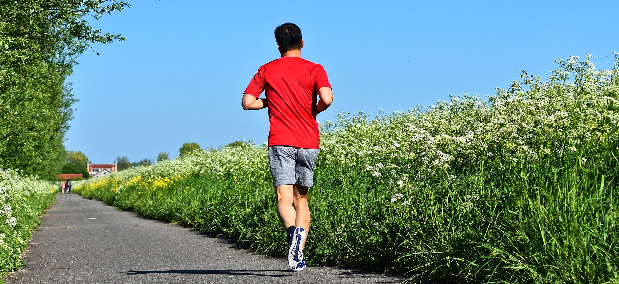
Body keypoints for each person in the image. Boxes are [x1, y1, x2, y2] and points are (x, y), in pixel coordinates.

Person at [242, 23, 333, 271]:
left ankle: (293, 234)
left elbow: (247, 102)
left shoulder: (266, 70)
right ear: (302, 43)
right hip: (308, 139)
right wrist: (313, 110)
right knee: (301, 199)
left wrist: (270, 103)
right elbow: (327, 98)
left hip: (280, 139)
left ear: (279, 45)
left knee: (283, 197)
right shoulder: (315, 69)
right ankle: (298, 252)